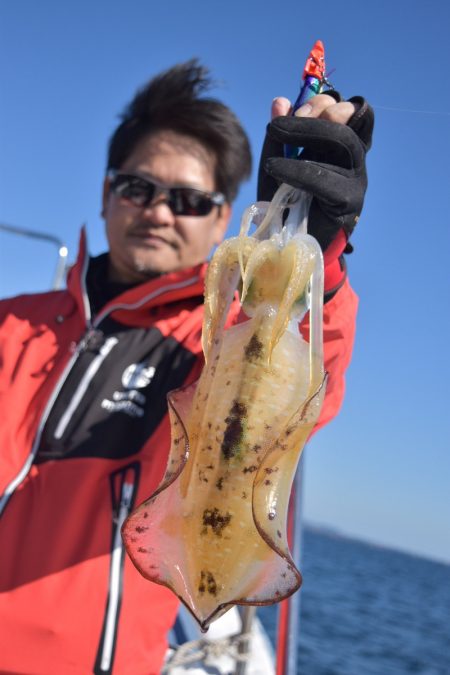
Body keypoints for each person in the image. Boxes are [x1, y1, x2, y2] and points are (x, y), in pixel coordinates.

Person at [0, 60, 373, 674]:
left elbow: (304, 383)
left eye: (189, 200)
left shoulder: (210, 341)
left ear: (223, 219)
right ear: (105, 193)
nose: (159, 212)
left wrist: (321, 262)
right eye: (137, 188)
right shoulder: (14, 322)